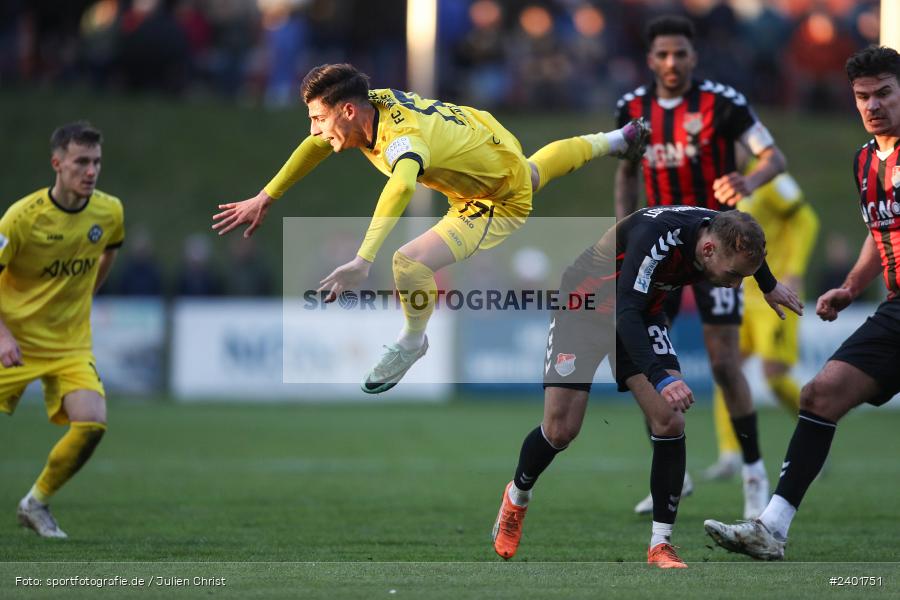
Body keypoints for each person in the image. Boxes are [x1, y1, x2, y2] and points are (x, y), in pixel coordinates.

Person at [212, 62, 650, 393]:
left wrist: (363, 260)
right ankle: (617, 140)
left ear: (347, 110)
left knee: (408, 262)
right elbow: (314, 147)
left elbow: (400, 189)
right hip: (487, 138)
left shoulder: (403, 140)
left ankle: (412, 339)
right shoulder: (369, 102)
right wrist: (266, 195)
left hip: (495, 198)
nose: (315, 130)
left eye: (318, 119)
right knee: (532, 171)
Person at [492, 206, 802, 567]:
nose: (735, 285)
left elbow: (743, 244)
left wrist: (767, 283)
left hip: (641, 312)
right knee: (561, 430)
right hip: (585, 308)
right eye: (734, 275)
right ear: (707, 251)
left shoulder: (722, 231)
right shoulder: (657, 239)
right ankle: (517, 497)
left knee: (670, 421)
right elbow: (624, 313)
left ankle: (660, 545)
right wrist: (660, 376)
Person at [704, 45, 900, 561]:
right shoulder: (865, 162)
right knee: (820, 394)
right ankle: (771, 529)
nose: (873, 104)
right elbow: (879, 233)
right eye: (864, 96)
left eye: (885, 93)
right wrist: (853, 286)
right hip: (897, 309)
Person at [614, 15, 789, 519]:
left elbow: (773, 157)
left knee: (722, 362)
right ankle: (672, 469)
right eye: (663, 54)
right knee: (639, 356)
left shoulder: (723, 103)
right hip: (660, 251)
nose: (672, 63)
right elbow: (627, 174)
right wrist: (623, 234)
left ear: (694, 57)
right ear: (650, 59)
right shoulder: (633, 108)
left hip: (719, 254)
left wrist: (749, 182)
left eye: (681, 54)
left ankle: (754, 474)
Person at [0, 121, 124, 538]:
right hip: (12, 339)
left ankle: (35, 503)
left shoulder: (109, 212)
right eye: (81, 162)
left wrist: (83, 296)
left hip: (69, 344)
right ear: (57, 163)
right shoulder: (21, 218)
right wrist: (2, 335)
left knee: (92, 423)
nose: (90, 171)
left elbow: (106, 254)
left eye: (97, 162)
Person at [704, 152, 819, 480]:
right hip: (741, 294)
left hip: (777, 292)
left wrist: (794, 271)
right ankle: (729, 455)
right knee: (725, 366)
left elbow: (807, 220)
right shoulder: (724, 184)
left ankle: (818, 433)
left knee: (774, 374)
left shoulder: (769, 179)